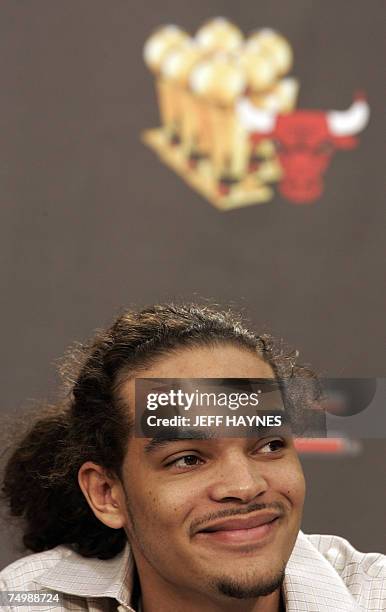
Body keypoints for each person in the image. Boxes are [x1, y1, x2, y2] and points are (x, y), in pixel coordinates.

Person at [0, 303, 384, 612]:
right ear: (106, 493)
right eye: (188, 459)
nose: (246, 486)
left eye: (269, 445)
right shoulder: (25, 599)